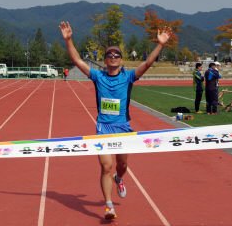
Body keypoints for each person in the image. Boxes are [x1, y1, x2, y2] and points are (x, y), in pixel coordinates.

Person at [59, 21, 171, 220]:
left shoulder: (128, 77)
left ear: (120, 60)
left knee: (122, 166)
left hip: (123, 127)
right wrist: (69, 40)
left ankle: (119, 179)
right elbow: (78, 61)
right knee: (105, 167)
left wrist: (160, 45)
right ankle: (109, 206)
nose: (113, 57)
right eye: (109, 55)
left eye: (116, 55)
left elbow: (146, 64)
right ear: (105, 60)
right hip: (103, 127)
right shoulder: (97, 76)